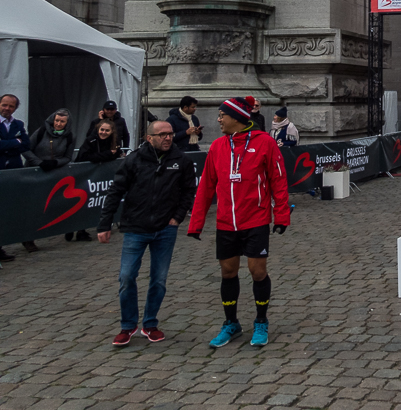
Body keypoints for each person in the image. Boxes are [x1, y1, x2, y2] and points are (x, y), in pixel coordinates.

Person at [188, 96, 290, 348]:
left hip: (255, 220)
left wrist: (282, 215)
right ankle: (231, 323)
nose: (218, 119)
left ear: (236, 118)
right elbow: (206, 187)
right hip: (225, 222)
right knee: (228, 272)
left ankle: (261, 321)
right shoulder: (217, 146)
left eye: (222, 114)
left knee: (257, 272)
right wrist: (196, 223)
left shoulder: (264, 142)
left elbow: (278, 180)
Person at [97, 120, 197, 346]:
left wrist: (177, 217)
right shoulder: (134, 160)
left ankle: (150, 324)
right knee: (126, 277)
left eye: (170, 134)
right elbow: (115, 191)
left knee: (159, 280)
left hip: (165, 229)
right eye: (162, 134)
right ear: (148, 137)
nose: (168, 138)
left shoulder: (181, 160)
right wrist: (104, 224)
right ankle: (127, 325)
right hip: (135, 228)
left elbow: (189, 191)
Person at [0, 93, 30, 262]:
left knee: (8, 210)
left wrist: (10, 144)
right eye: (4, 105)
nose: (7, 109)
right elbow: (18, 143)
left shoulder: (18, 124)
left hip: (13, 171)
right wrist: (14, 143)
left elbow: (26, 144)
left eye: (11, 106)